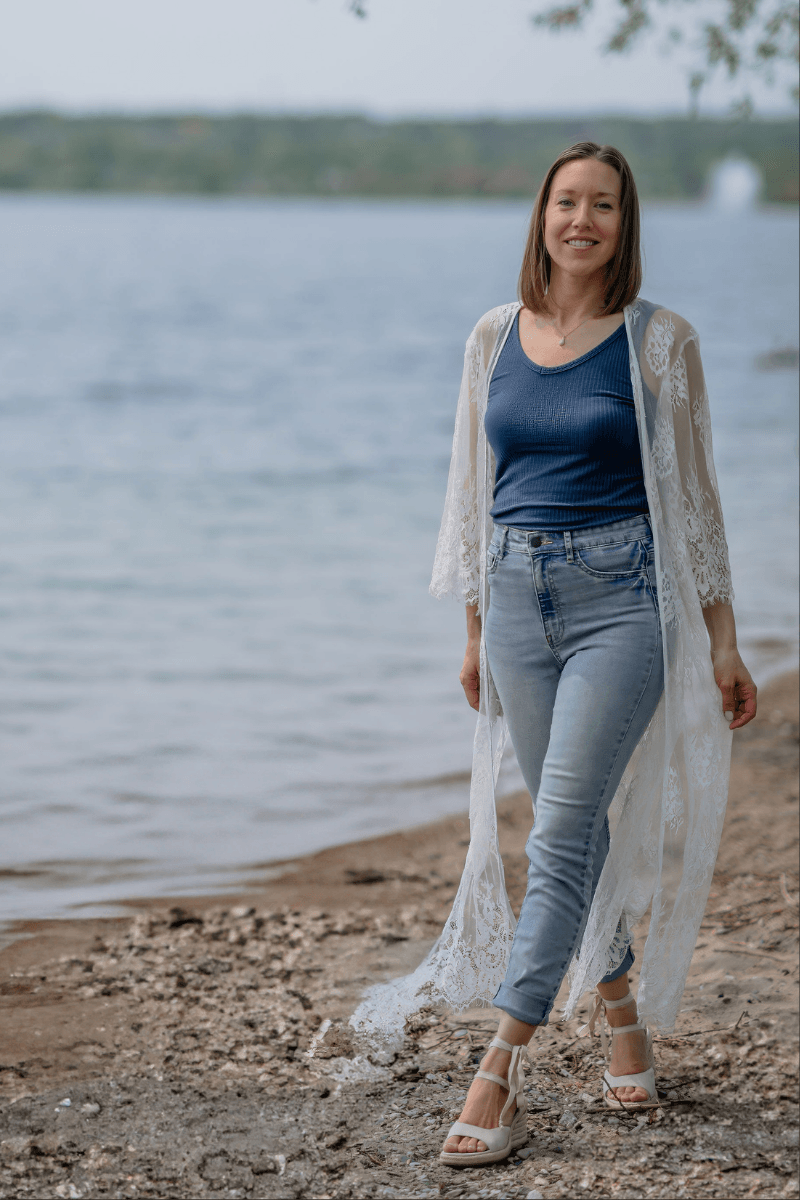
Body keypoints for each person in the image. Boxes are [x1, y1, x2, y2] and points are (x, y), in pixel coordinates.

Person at [349, 141, 757, 1167]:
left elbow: (696, 500)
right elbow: (469, 487)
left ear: (624, 226)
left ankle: (498, 1065)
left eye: (603, 206)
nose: (581, 220)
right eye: (565, 202)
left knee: (563, 827)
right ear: (539, 216)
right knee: (563, 828)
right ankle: (616, 1010)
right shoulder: (493, 334)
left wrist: (721, 639)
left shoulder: (661, 343)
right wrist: (475, 631)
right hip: (518, 606)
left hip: (623, 604)